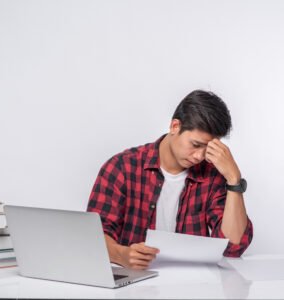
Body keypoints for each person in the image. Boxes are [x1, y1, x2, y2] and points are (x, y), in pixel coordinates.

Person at [87, 90, 253, 270]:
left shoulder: (212, 176)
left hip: (193, 285)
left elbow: (233, 247)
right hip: (133, 284)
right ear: (175, 126)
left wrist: (233, 179)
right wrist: (122, 255)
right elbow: (94, 235)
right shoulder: (122, 167)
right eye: (196, 145)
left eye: (209, 149)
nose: (200, 156)